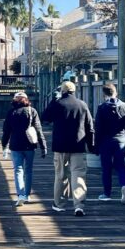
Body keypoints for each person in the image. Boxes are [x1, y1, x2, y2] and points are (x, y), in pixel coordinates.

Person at [42, 81, 94, 217]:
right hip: (78, 144)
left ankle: (59, 204)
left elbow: (45, 117)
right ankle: (79, 205)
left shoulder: (57, 104)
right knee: (78, 175)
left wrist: (54, 100)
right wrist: (91, 144)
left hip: (60, 146)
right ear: (74, 90)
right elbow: (90, 126)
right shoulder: (82, 105)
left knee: (61, 175)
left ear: (62, 91)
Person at [1, 92, 47, 207]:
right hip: (30, 145)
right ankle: (27, 195)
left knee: (18, 170)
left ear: (15, 100)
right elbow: (38, 130)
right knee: (29, 170)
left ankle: (20, 195)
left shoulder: (11, 112)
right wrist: (43, 146)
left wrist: (4, 145)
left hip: (15, 145)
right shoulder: (32, 111)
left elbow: (6, 132)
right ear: (26, 100)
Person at [94, 83, 125, 204]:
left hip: (105, 142)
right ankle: (124, 186)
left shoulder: (102, 108)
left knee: (106, 168)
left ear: (104, 94)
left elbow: (98, 128)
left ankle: (107, 193)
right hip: (120, 141)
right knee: (121, 166)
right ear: (115, 92)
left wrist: (95, 145)